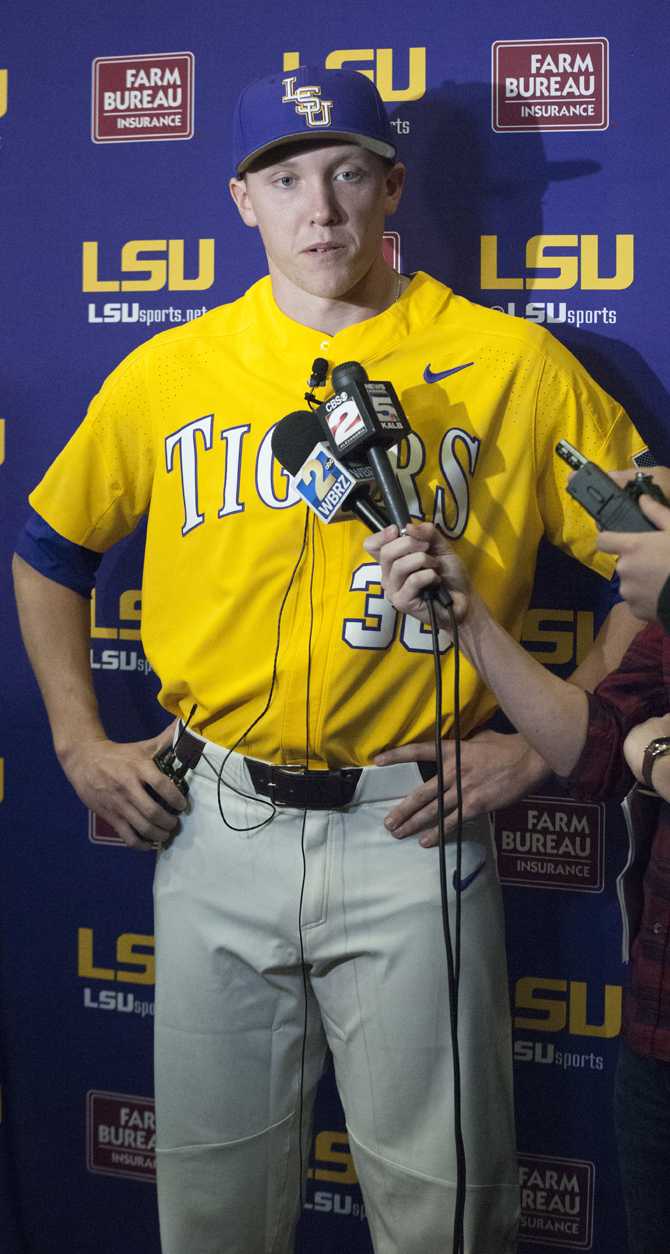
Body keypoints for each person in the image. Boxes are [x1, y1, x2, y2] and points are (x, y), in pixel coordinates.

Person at [12, 64, 648, 1254]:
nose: (322, 209)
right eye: (286, 177)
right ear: (240, 201)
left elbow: (652, 556)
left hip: (411, 823)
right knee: (210, 1206)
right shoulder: (169, 370)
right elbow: (50, 551)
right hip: (216, 819)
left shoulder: (508, 363)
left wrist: (553, 736)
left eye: (349, 171)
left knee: (444, 1210)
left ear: (392, 186)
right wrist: (76, 739)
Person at [366, 516, 670, 1254]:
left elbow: (640, 752)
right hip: (660, 1038)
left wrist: (654, 756)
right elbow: (595, 750)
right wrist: (469, 618)